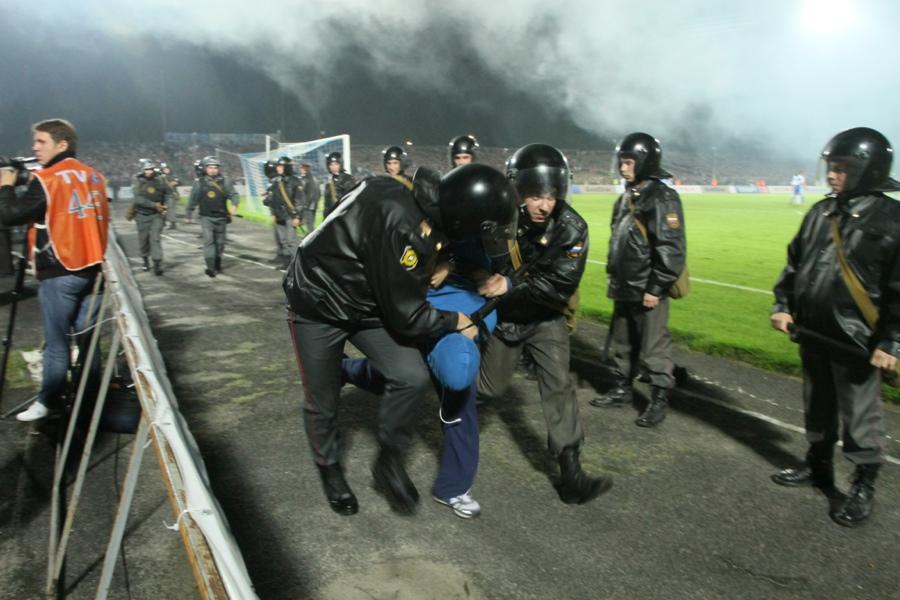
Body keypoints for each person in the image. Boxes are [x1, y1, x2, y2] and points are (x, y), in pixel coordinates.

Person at [283, 163, 517, 516]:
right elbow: (409, 318)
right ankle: (329, 468)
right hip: (317, 303)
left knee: (410, 375)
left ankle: (389, 460)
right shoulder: (404, 227)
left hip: (367, 302)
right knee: (322, 399)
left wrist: (445, 260)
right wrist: (457, 320)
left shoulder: (411, 195)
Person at [770, 127, 900, 527]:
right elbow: (795, 263)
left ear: (868, 170)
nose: (831, 174)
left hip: (857, 341)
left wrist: (893, 341)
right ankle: (818, 465)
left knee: (860, 417)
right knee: (818, 406)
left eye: (842, 168)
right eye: (831, 166)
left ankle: (863, 484)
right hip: (812, 332)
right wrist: (783, 304)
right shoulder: (821, 211)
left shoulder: (892, 219)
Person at [476, 143, 612, 505]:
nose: (544, 205)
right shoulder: (495, 219)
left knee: (559, 387)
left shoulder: (573, 228)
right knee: (489, 389)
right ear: (517, 190)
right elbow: (472, 259)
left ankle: (572, 474)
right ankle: (455, 414)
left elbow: (559, 286)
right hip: (505, 318)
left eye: (551, 195)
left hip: (545, 316)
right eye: (535, 195)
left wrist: (509, 284)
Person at [0, 118, 109, 422]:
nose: (34, 147)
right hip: (95, 269)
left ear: (62, 144)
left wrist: (5, 185)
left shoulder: (48, 178)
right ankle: (90, 401)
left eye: (41, 142)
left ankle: (48, 401)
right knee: (88, 343)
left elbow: (8, 215)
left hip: (61, 270)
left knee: (57, 344)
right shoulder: (95, 175)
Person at [591, 133, 686, 429]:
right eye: (622, 161)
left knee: (653, 346)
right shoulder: (627, 196)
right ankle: (622, 389)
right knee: (623, 343)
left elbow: (671, 247)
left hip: (647, 287)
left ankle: (658, 399)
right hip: (625, 284)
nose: (623, 167)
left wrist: (656, 287)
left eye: (629, 162)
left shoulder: (662, 197)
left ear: (645, 162)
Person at [186, 156, 239, 278]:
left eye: (215, 168)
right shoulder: (199, 182)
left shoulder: (225, 181)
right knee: (208, 241)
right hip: (206, 217)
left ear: (218, 169)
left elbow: (233, 194)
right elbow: (192, 199)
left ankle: (217, 262)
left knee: (220, 243)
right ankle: (210, 267)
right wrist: (189, 213)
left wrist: (234, 205)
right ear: (205, 168)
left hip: (222, 217)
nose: (213, 170)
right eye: (210, 167)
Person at [131, 159, 172, 275]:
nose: (149, 171)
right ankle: (145, 260)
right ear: (142, 170)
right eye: (147, 169)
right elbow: (138, 199)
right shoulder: (137, 180)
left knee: (155, 238)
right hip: (141, 215)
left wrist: (166, 206)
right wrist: (154, 205)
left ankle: (157, 263)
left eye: (151, 169)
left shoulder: (160, 179)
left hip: (157, 215)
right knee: (143, 240)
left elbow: (168, 193)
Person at [262, 156, 303, 267]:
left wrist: (297, 216)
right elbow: (274, 198)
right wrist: (268, 202)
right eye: (278, 166)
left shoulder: (295, 181)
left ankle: (298, 265)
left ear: (287, 167)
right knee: (283, 240)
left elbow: (299, 200)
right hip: (280, 215)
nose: (278, 168)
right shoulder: (277, 181)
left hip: (290, 215)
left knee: (291, 241)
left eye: (281, 166)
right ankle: (288, 263)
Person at [321, 151, 355, 219]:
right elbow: (327, 205)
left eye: (336, 164)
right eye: (331, 164)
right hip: (332, 218)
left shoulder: (348, 179)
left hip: (344, 216)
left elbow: (351, 200)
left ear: (340, 164)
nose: (333, 167)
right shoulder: (329, 182)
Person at [298, 162, 319, 234]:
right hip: (313, 205)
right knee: (311, 224)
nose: (300, 170)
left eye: (301, 168)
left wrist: (305, 205)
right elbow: (318, 193)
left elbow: (307, 194)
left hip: (307, 206)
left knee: (309, 226)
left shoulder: (305, 179)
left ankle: (312, 238)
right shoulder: (315, 179)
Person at [159, 162, 181, 229]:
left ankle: (172, 223)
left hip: (171, 195)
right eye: (164, 169)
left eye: (167, 169)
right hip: (163, 195)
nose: (166, 170)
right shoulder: (162, 177)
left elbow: (180, 182)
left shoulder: (173, 176)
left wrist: (176, 182)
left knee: (171, 209)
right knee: (163, 209)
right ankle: (163, 222)